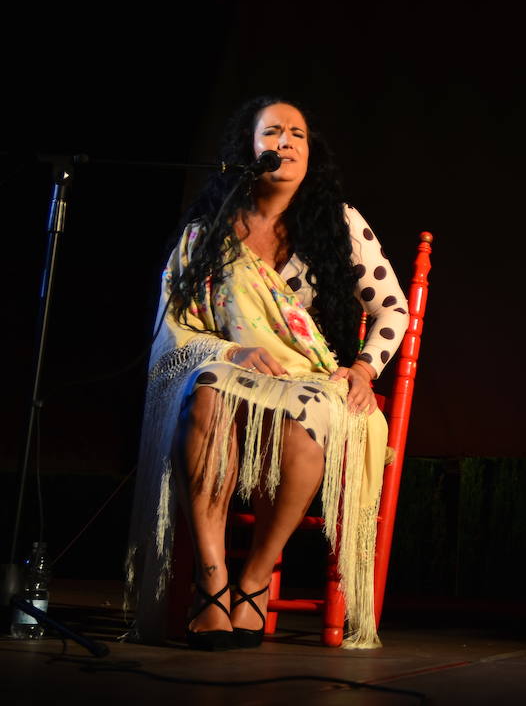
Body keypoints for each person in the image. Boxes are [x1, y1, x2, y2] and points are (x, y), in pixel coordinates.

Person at [125, 97, 408, 650]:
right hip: (227, 377)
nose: (285, 143)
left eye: (297, 134)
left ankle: (254, 580)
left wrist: (362, 368)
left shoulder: (340, 224)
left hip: (307, 381)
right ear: (247, 151)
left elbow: (393, 309)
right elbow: (176, 326)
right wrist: (231, 355)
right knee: (204, 389)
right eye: (272, 132)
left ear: (311, 152)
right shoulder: (209, 234)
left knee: (307, 417)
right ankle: (213, 577)